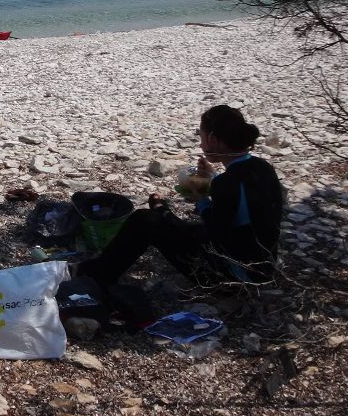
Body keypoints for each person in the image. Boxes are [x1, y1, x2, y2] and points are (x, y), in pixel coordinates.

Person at [79, 105, 285, 286]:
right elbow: (242, 202)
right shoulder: (262, 167)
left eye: (202, 137)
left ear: (213, 139)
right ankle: (161, 212)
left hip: (231, 277)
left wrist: (202, 201)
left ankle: (99, 273)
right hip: (264, 267)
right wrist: (212, 177)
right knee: (173, 222)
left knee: (145, 221)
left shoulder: (227, 183)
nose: (202, 143)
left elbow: (217, 232)